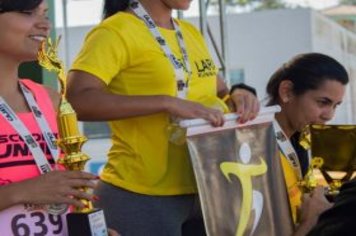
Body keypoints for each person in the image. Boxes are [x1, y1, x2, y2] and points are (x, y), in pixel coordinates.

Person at [66, 0, 260, 235]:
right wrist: (166, 102)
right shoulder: (113, 31)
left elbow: (218, 92)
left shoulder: (189, 32)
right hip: (140, 192)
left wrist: (239, 94)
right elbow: (77, 100)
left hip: (207, 184)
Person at [0, 1, 119, 235]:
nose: (45, 25)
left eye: (45, 14)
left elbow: (70, 195)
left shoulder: (51, 100)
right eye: (27, 13)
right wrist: (20, 192)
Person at [265, 52, 349, 235]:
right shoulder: (256, 147)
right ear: (286, 92)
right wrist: (312, 219)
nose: (329, 115)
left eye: (336, 105)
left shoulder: (301, 140)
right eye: (323, 102)